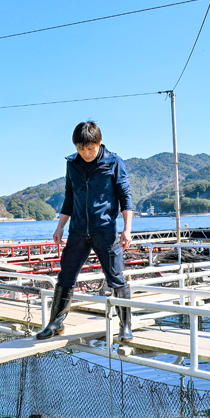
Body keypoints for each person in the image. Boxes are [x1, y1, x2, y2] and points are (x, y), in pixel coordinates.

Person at [36, 121, 134, 342]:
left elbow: (125, 197)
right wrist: (60, 226)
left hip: (105, 230)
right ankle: (55, 324)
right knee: (66, 276)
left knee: (116, 278)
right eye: (81, 148)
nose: (86, 153)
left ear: (99, 143)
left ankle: (126, 325)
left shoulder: (114, 162)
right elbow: (69, 197)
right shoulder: (72, 164)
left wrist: (127, 230)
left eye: (90, 148)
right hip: (78, 230)